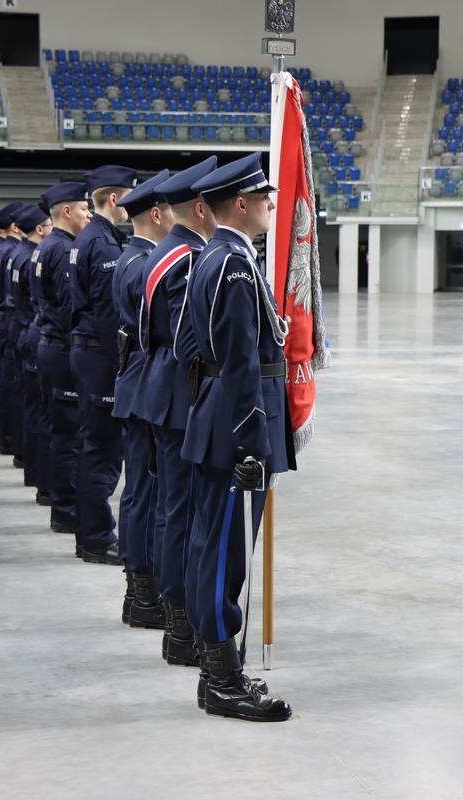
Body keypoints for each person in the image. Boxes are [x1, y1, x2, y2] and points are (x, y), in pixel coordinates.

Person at [181, 153, 292, 722]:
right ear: (241, 205)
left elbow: (187, 349)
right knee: (225, 559)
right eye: (265, 197)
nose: (274, 204)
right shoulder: (236, 266)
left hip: (216, 419)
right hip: (237, 431)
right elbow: (242, 362)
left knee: (211, 550)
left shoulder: (215, 257)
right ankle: (224, 681)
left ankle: (213, 675)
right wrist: (252, 442)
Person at [135, 155, 218, 665]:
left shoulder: (165, 251)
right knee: (182, 512)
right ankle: (180, 622)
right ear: (200, 208)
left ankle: (175, 619)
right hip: (180, 394)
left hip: (159, 386)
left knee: (172, 509)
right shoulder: (186, 258)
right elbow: (193, 339)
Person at [67, 165, 138, 566]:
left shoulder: (86, 237)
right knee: (104, 449)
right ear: (115, 198)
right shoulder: (106, 245)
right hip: (100, 356)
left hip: (85, 350)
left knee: (94, 443)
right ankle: (95, 537)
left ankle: (89, 534)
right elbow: (112, 316)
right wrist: (124, 367)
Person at [112, 169, 173, 626]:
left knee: (139, 490)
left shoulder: (131, 258)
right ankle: (143, 591)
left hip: (133, 380)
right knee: (145, 493)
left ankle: (139, 592)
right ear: (156, 212)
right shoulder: (149, 264)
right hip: (143, 382)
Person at [31, 181, 92, 540]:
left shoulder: (46, 246)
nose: (89, 214)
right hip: (61, 344)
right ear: (66, 211)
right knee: (69, 433)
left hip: (49, 341)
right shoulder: (63, 249)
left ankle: (61, 503)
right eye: (84, 208)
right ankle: (66, 511)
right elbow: (71, 306)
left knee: (59, 429)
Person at [10, 205, 52, 496]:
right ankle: (40, 480)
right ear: (39, 229)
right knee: (41, 410)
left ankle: (34, 473)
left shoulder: (19, 254)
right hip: (32, 329)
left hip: (23, 328)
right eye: (49, 225)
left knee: (32, 407)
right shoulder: (31, 257)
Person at [0, 202, 25, 456]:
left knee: (2, 378)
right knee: (15, 385)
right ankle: (11, 441)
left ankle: (2, 435)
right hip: (14, 319)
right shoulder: (15, 252)